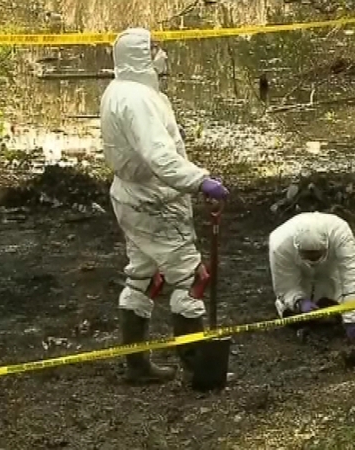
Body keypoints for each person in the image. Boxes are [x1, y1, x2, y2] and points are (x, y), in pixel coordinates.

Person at [100, 27, 230, 384]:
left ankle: (138, 366)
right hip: (155, 201)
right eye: (155, 48)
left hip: (132, 198)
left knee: (141, 275)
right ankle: (198, 371)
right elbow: (160, 157)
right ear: (140, 55)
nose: (162, 55)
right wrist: (200, 180)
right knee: (190, 278)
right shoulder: (137, 100)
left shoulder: (122, 91)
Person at [268, 211, 355, 342]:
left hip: (331, 269)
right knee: (291, 312)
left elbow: (353, 277)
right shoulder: (280, 244)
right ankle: (305, 318)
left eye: (316, 254)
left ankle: (331, 310)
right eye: (308, 255)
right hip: (299, 272)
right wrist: (299, 301)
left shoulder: (341, 236)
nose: (313, 259)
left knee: (336, 296)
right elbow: (285, 283)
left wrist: (354, 320)